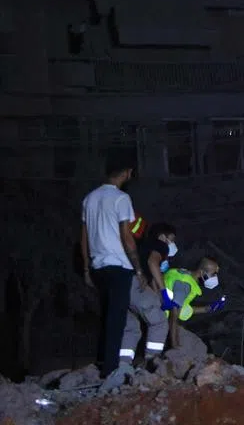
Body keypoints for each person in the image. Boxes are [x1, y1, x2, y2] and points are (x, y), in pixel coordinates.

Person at [81, 160, 146, 379]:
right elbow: (126, 236)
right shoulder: (121, 198)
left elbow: (84, 236)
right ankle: (110, 370)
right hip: (119, 265)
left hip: (98, 265)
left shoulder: (89, 198)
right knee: (117, 318)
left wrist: (86, 268)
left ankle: (104, 362)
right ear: (127, 172)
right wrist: (138, 269)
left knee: (106, 314)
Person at [117, 223, 179, 370]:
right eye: (172, 239)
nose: (173, 244)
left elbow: (152, 279)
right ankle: (152, 363)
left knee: (131, 328)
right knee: (159, 322)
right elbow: (152, 263)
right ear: (162, 236)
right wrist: (164, 293)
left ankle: (123, 366)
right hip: (135, 282)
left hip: (119, 284)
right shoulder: (160, 245)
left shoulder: (143, 245)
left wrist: (157, 295)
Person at [163, 258, 224, 349]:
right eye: (213, 274)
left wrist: (208, 308)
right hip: (159, 315)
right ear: (202, 272)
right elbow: (174, 311)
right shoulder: (185, 283)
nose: (215, 278)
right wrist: (174, 342)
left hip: (158, 310)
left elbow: (182, 307)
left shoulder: (183, 274)